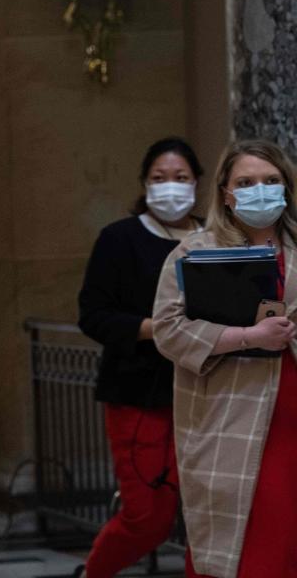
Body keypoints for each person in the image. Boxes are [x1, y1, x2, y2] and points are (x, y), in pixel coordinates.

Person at [154, 139, 297, 578]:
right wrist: (245, 336)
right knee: (243, 551)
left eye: (271, 181)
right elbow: (168, 330)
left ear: (287, 188)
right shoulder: (194, 251)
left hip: (291, 417)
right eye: (247, 182)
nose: (260, 190)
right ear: (226, 193)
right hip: (227, 420)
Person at [75, 137, 204, 578]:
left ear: (198, 184)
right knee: (147, 516)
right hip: (138, 394)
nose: (171, 187)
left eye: (181, 178)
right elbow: (93, 315)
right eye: (160, 178)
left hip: (207, 393)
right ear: (145, 184)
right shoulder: (119, 239)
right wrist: (159, 329)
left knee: (209, 518)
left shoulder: (214, 238)